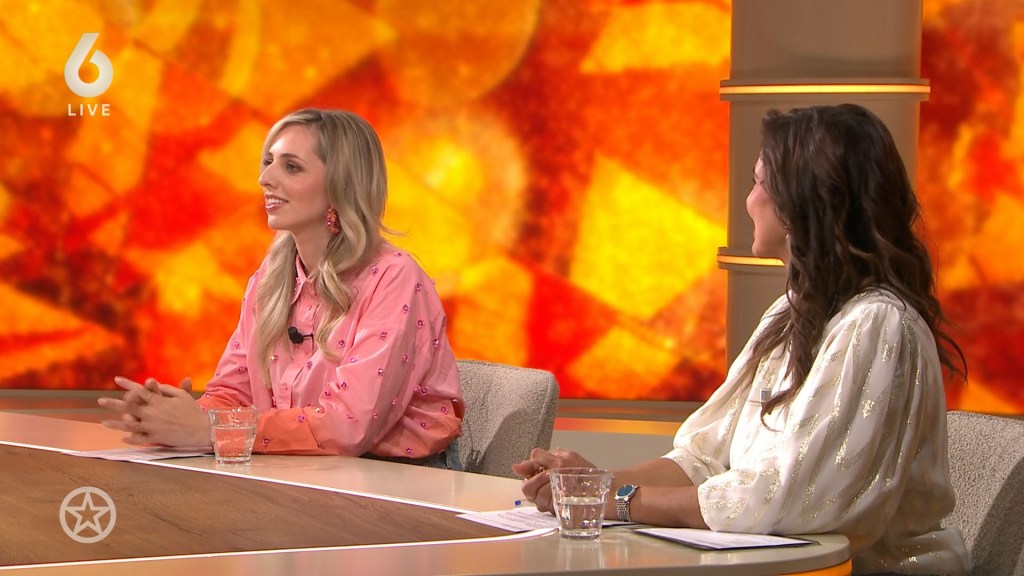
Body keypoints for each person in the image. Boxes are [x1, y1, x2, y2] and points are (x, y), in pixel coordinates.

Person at [515, 104, 969, 575]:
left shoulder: (877, 323)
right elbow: (704, 458)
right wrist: (590, 485)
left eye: (758, 183)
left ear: (800, 202)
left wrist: (621, 501)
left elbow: (789, 499)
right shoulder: (790, 315)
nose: (748, 200)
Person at [99, 108, 463, 469]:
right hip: (295, 469)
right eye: (268, 162)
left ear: (340, 185)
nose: (265, 179)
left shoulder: (394, 277)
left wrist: (210, 430)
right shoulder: (271, 277)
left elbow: (346, 426)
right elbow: (234, 392)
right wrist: (174, 419)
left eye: (291, 167)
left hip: (397, 479)